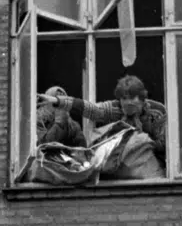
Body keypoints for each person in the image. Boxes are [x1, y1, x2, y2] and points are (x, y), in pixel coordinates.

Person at [38, 75, 167, 178]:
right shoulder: (115, 108)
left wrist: (144, 142)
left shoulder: (157, 112)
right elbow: (90, 109)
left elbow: (167, 145)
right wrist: (57, 101)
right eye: (124, 98)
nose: (127, 102)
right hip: (121, 169)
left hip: (152, 165)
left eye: (132, 98)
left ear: (142, 98)